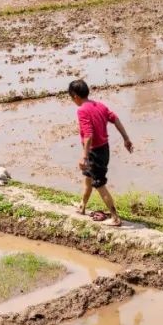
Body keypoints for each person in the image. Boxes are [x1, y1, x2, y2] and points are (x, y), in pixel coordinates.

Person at [67, 79, 133, 226]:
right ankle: (82, 206)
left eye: (72, 97)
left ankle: (115, 218)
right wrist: (126, 139)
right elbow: (115, 119)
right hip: (104, 149)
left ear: (75, 96)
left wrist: (84, 156)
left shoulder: (82, 110)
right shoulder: (100, 105)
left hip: (95, 152)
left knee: (99, 184)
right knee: (88, 178)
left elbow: (88, 134)